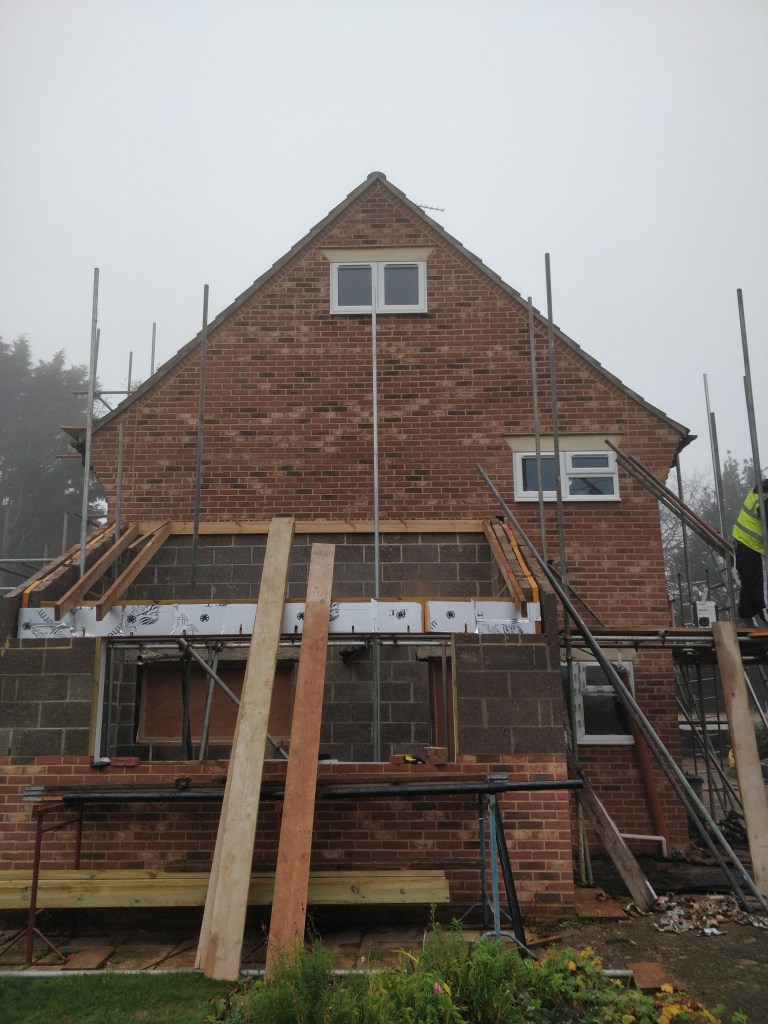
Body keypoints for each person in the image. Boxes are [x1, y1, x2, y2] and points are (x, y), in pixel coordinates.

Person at [732, 478, 768, 625]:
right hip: (753, 548)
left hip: (742, 545)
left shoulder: (757, 494)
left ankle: (745, 618)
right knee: (762, 585)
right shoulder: (765, 501)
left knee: (748, 583)